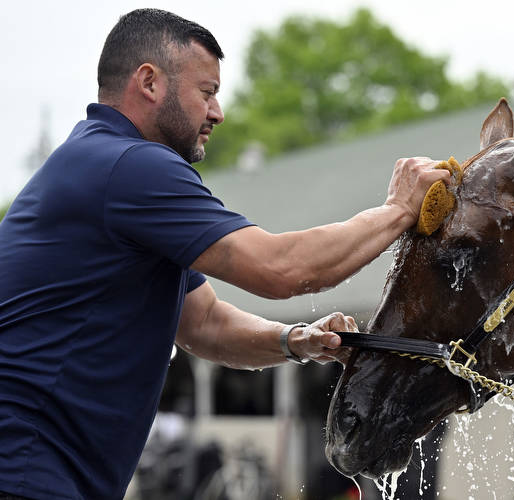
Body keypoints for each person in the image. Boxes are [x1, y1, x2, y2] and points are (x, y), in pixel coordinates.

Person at [0, 8, 449, 500]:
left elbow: (204, 323)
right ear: (149, 82)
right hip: (26, 474)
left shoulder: (101, 166)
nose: (218, 112)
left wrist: (294, 340)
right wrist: (399, 209)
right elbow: (283, 269)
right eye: (207, 93)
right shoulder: (129, 166)